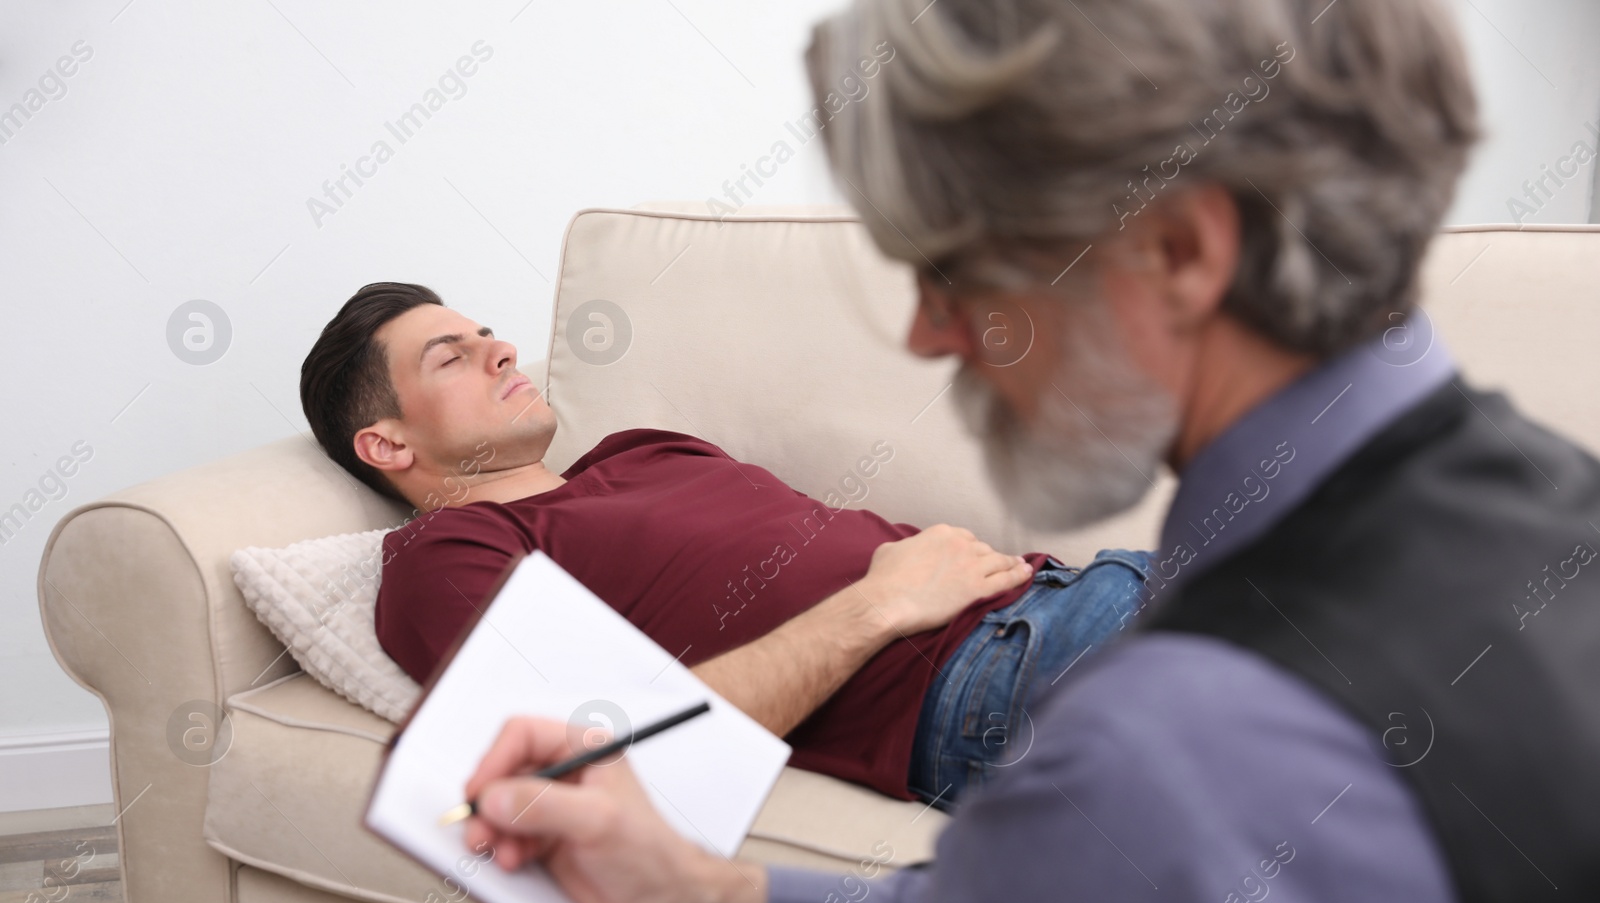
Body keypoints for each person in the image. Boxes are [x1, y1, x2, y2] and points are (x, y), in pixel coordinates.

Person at [457, 0, 1600, 903]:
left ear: (1180, 251)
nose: (926, 331)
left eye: (954, 268)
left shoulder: (1165, 754)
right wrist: (694, 899)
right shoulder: (1559, 504)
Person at [298, 284, 1153, 808]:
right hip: (998, 674)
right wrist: (883, 601)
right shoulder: (445, 555)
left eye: (489, 334)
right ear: (387, 446)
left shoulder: (642, 449)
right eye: (453, 358)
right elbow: (595, 757)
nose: (501, 350)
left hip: (1084, 590)